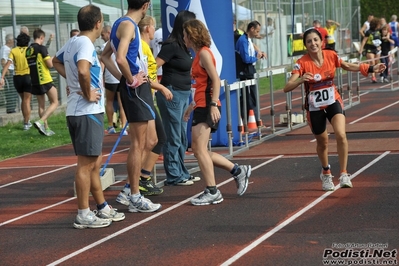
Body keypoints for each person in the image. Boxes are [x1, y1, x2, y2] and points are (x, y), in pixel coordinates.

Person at [283, 28, 386, 191]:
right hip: (314, 106)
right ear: (305, 45)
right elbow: (287, 87)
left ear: (321, 42)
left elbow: (347, 66)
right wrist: (301, 79)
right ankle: (326, 173)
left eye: (315, 40)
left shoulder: (330, 55)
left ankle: (344, 173)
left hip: (333, 100)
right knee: (323, 142)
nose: (313, 44)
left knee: (341, 134)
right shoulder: (302, 63)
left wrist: (371, 69)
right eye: (309, 41)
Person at [52, 4, 125, 229]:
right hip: (86, 111)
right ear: (98, 23)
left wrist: (73, 84)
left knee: (94, 162)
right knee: (86, 165)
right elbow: (83, 70)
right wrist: (84, 90)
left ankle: (101, 206)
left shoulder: (74, 41)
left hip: (80, 111)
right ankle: (83, 213)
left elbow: (55, 61)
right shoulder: (84, 43)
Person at [182, 19, 252, 205]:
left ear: (192, 35)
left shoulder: (204, 53)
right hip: (202, 104)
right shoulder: (197, 55)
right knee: (200, 150)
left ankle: (213, 190)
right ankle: (237, 171)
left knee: (198, 149)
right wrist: (192, 106)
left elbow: (215, 79)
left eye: (185, 34)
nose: (183, 38)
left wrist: (213, 104)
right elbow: (200, 84)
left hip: (208, 105)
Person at [101, 0, 162, 212]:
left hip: (135, 88)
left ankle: (131, 191)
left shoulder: (120, 23)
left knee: (148, 141)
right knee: (138, 143)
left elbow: (104, 56)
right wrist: (130, 79)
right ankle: (133, 195)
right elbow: (119, 57)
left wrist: (123, 79)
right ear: (146, 5)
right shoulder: (128, 25)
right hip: (136, 88)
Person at [114, 15, 171, 201]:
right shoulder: (141, 44)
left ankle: (137, 183)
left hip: (146, 95)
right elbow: (136, 70)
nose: (155, 31)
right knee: (146, 142)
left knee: (154, 140)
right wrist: (130, 80)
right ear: (147, 28)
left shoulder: (139, 41)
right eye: (154, 27)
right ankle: (133, 187)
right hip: (141, 94)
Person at [155, 10, 200, 186]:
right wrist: (160, 87)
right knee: (173, 136)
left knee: (181, 136)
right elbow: (153, 65)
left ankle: (181, 171)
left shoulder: (185, 47)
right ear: (184, 27)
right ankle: (174, 175)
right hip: (171, 93)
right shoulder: (172, 45)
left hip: (183, 93)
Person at [26, 28, 59, 136]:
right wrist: (54, 59)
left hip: (34, 80)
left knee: (41, 105)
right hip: (44, 79)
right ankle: (40, 122)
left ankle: (46, 128)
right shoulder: (41, 48)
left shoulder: (28, 50)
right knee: (55, 102)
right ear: (41, 37)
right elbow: (49, 64)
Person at [235, 20, 266, 124]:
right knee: (247, 97)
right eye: (257, 31)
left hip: (250, 70)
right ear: (251, 29)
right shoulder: (243, 40)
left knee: (252, 96)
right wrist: (256, 58)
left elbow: (252, 50)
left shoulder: (247, 40)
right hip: (245, 71)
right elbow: (246, 58)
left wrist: (259, 53)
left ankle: (253, 120)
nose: (258, 34)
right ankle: (247, 121)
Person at [0, 33, 32, 130]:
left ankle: (26, 120)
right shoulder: (29, 50)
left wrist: (2, 77)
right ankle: (26, 123)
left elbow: (8, 63)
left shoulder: (13, 50)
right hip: (27, 76)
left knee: (23, 101)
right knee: (27, 101)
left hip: (17, 77)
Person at [100, 25, 127, 135]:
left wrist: (101, 76)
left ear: (109, 32)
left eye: (103, 35)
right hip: (119, 76)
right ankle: (123, 126)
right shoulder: (122, 43)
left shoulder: (104, 46)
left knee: (111, 101)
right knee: (121, 102)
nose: (101, 37)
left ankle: (112, 125)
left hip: (111, 77)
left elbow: (103, 62)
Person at [359, 17, 382, 83]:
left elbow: (379, 40)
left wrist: (380, 46)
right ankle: (373, 77)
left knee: (377, 63)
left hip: (376, 49)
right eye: (378, 24)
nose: (379, 26)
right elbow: (364, 41)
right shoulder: (368, 32)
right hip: (369, 49)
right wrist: (361, 49)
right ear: (375, 24)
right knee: (372, 63)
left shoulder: (378, 31)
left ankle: (374, 74)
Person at [0, 33, 18, 113]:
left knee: (13, 89)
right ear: (9, 40)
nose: (14, 42)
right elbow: (3, 60)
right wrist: (6, 71)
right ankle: (10, 108)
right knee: (10, 90)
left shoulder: (9, 48)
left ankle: (12, 107)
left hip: (11, 70)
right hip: (8, 71)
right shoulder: (5, 48)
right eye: (13, 41)